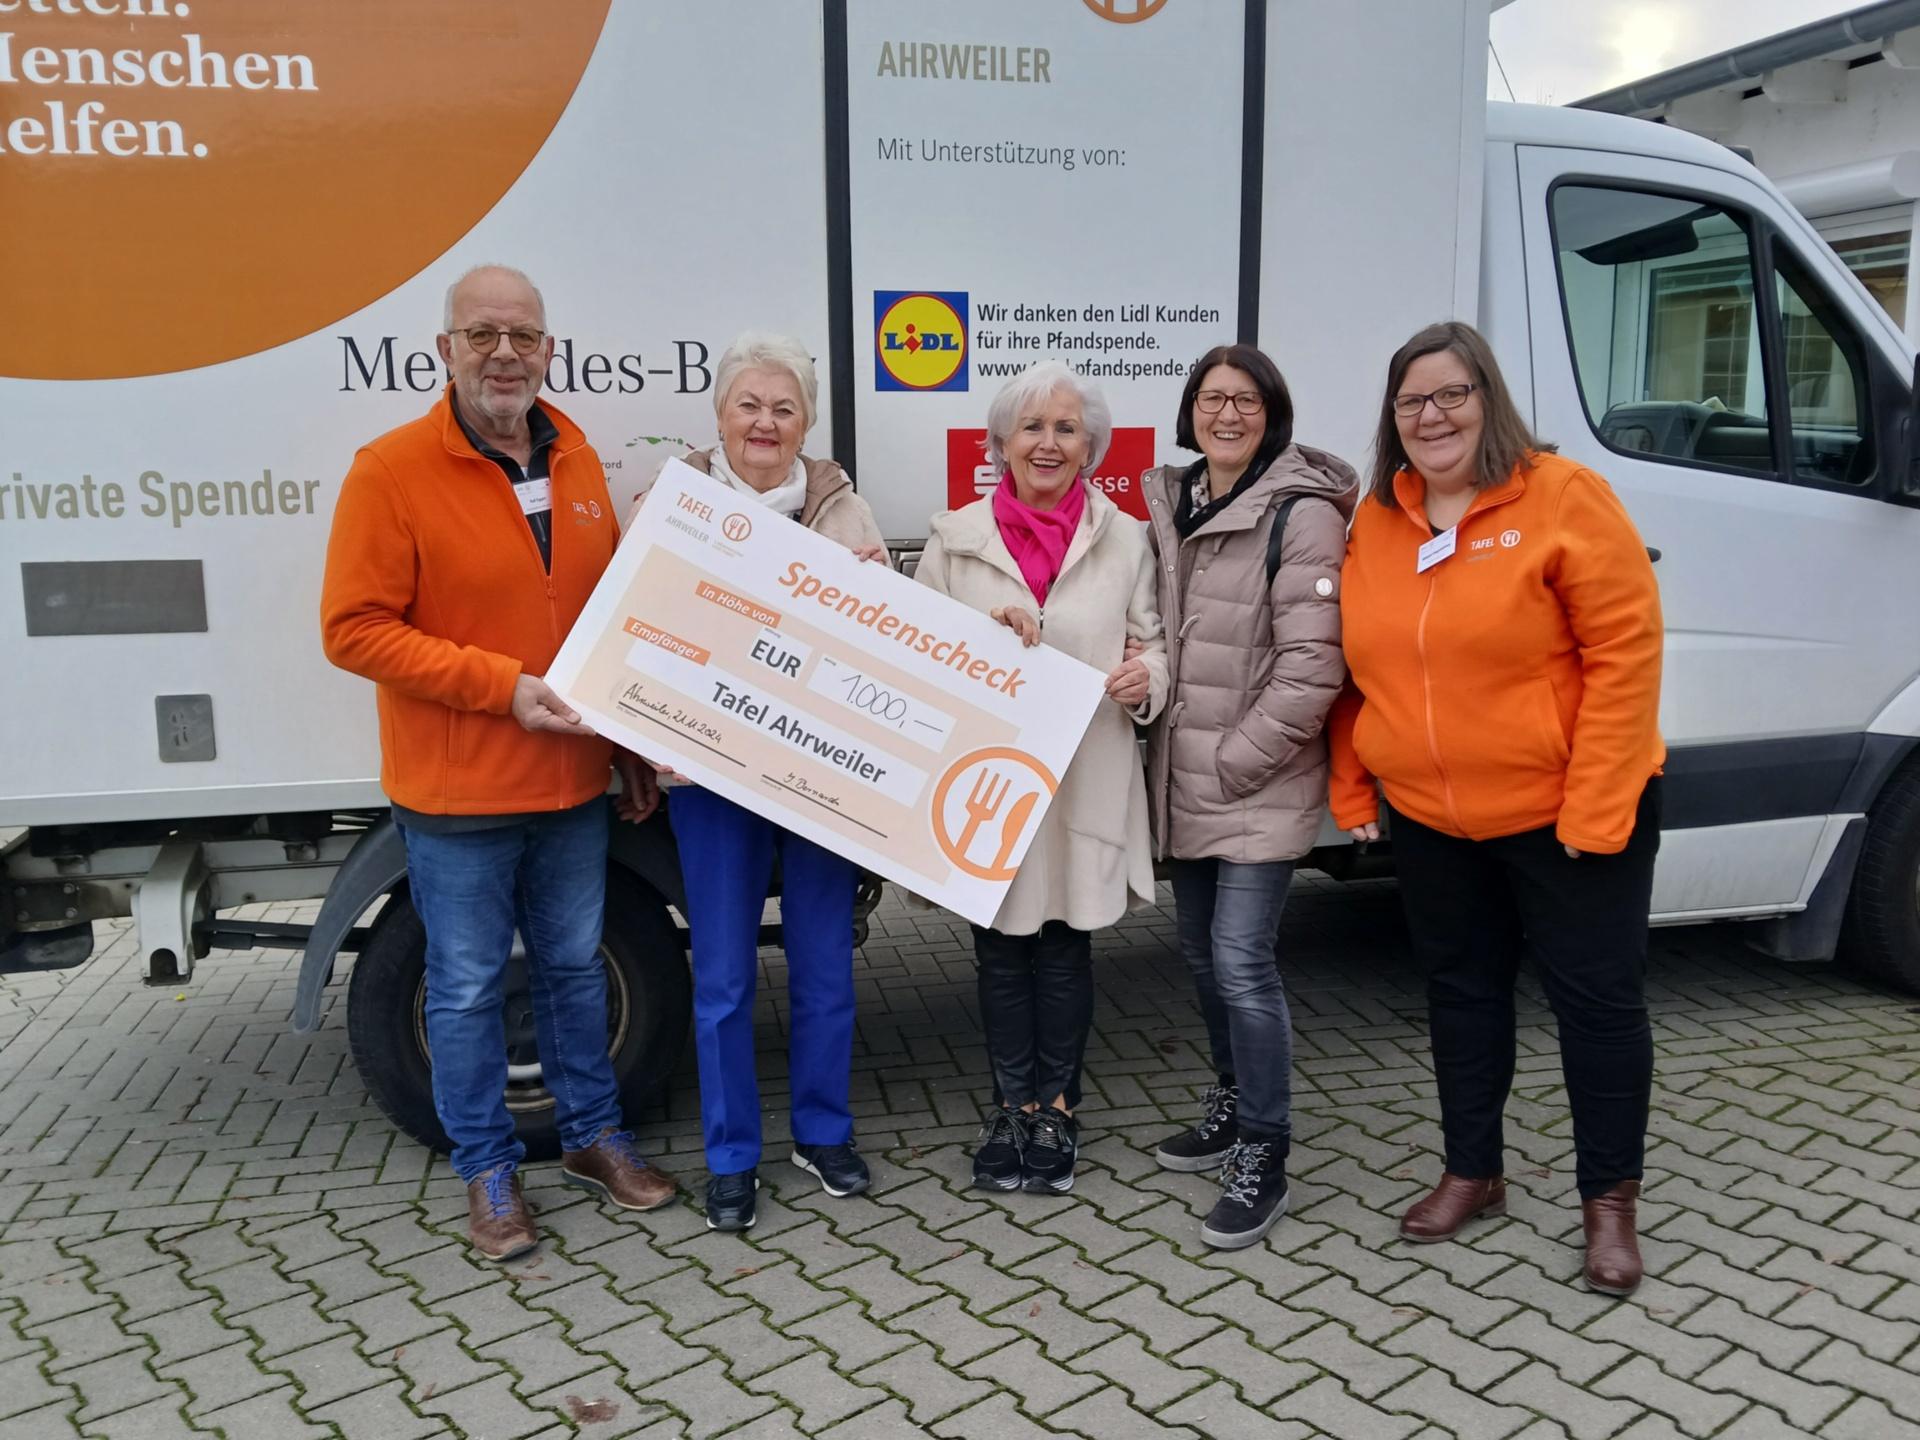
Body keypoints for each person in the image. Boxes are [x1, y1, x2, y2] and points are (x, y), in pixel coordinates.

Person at [321, 264, 674, 1264]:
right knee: (470, 988)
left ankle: (594, 1140)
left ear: (549, 349)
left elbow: (599, 623)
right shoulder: (389, 470)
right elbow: (353, 630)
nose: (505, 353)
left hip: (569, 788)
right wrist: (500, 687)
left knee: (570, 973)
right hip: (456, 794)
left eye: (522, 334)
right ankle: (487, 1169)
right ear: (444, 351)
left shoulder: (577, 459)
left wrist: (625, 746)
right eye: (482, 335)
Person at [1328, 320, 1665, 1296]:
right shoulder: (1380, 523)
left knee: (1595, 1010)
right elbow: (1358, 670)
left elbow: (1626, 655)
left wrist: (1596, 810)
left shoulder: (1563, 498)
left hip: (1568, 815)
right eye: (1411, 402)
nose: (1431, 416)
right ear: (1392, 420)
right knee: (1462, 998)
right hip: (1433, 819)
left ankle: (1609, 1206)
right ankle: (1473, 1171)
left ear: (1489, 398)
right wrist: (1357, 782)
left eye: (1450, 395)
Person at [632, 332, 887, 1233]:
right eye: (750, 404)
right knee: (726, 977)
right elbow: (636, 633)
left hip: (817, 778)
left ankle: (822, 1134)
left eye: (784, 408)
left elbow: (883, 650)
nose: (765, 423)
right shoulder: (674, 506)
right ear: (719, 415)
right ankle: (731, 1154)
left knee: (824, 969)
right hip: (709, 778)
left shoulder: (847, 515)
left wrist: (878, 594)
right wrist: (643, 747)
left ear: (807, 423)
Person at [915, 359, 1168, 1196]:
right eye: (1032, 427)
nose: (1048, 443)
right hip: (991, 785)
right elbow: (918, 664)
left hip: (1085, 775)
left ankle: (1056, 1108)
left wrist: (1147, 683)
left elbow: (1154, 646)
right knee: (998, 951)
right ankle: (1007, 1107)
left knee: (1064, 950)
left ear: (1091, 446)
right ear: (1000, 444)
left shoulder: (1126, 537)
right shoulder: (953, 540)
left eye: (1066, 429)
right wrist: (985, 636)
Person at [1141, 344, 1355, 1250]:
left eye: (1246, 402)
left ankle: (1265, 1150)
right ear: (1190, 412)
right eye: (1211, 399)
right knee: (1197, 958)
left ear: (1273, 415)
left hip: (1252, 779)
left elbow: (1314, 667)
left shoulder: (1302, 516)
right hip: (1183, 778)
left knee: (1241, 964)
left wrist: (1235, 760)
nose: (1226, 415)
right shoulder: (1173, 501)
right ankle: (1230, 1104)